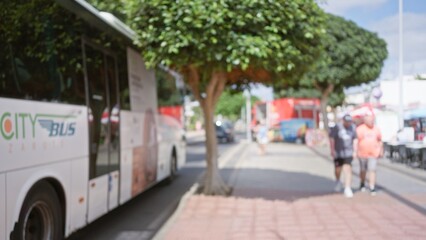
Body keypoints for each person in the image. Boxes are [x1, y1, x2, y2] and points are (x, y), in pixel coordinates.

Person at [354, 114, 383, 196]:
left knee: (372, 169)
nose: (371, 122)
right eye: (370, 120)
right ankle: (362, 182)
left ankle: (372, 186)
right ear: (365, 121)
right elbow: (356, 141)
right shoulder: (360, 129)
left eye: (372, 120)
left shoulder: (376, 129)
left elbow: (380, 140)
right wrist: (355, 151)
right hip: (362, 153)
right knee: (363, 170)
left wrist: (381, 150)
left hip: (373, 153)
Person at [329, 114, 357, 198]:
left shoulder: (353, 128)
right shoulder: (337, 127)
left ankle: (347, 187)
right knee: (338, 169)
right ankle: (338, 181)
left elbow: (355, 139)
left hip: (348, 152)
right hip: (338, 152)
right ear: (343, 121)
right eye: (346, 121)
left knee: (347, 169)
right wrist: (332, 150)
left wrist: (355, 151)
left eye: (349, 122)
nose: (348, 123)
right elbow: (332, 139)